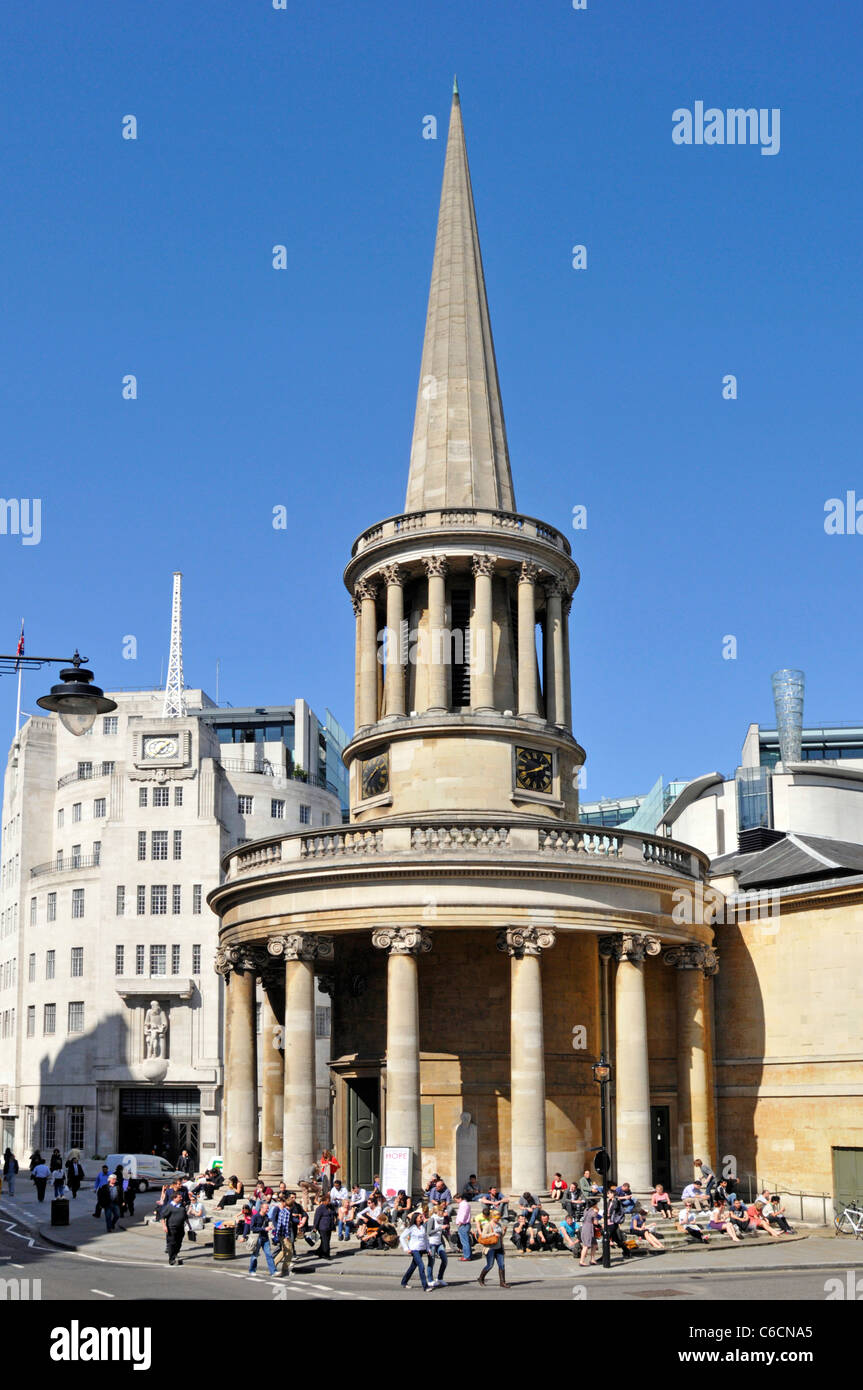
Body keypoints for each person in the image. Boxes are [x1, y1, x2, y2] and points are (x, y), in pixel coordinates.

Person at [477, 1207, 509, 1288]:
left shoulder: (499, 1225)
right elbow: (483, 1235)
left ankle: (502, 1282)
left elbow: (500, 1236)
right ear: (492, 1217)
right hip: (490, 1248)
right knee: (490, 1265)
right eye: (496, 1218)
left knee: (502, 1265)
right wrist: (493, 1234)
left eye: (499, 1218)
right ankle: (481, 1278)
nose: (498, 1220)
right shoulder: (488, 1225)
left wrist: (504, 1232)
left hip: (499, 1247)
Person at [399, 1210, 431, 1290]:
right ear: (416, 1218)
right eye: (420, 1217)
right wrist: (406, 1248)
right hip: (414, 1249)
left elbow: (426, 1239)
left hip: (421, 1249)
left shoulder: (423, 1227)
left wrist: (428, 1248)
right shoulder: (411, 1228)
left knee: (413, 1266)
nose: (422, 1218)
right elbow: (402, 1237)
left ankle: (404, 1282)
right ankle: (425, 1286)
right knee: (421, 1266)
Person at [248, 1201, 278, 1276]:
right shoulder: (255, 1217)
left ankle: (273, 1272)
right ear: (261, 1208)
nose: (268, 1210)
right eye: (266, 1208)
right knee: (255, 1255)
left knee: (269, 1255)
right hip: (257, 1238)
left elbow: (269, 1225)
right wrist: (264, 1229)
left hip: (265, 1238)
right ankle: (252, 1270)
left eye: (268, 1208)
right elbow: (252, 1228)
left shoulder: (266, 1217)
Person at [426, 1201, 449, 1286]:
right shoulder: (432, 1219)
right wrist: (439, 1228)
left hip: (439, 1243)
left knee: (445, 1260)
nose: (443, 1212)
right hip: (431, 1243)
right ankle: (430, 1280)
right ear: (437, 1211)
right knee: (431, 1261)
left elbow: (440, 1232)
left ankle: (440, 1278)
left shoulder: (441, 1219)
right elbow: (429, 1232)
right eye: (442, 1211)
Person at [161, 1192, 187, 1266]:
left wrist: (189, 1226)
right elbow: (163, 1217)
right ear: (174, 1198)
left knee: (179, 1242)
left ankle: (175, 1253)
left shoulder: (182, 1206)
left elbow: (185, 1216)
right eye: (179, 1197)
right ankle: (171, 1259)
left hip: (181, 1227)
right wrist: (164, 1226)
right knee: (172, 1243)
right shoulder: (169, 1207)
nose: (181, 1198)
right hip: (171, 1228)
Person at [313, 1192, 335, 1258]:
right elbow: (317, 1218)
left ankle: (319, 1252)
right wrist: (315, 1227)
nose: (329, 1202)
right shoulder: (320, 1208)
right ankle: (326, 1254)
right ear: (324, 1201)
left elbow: (333, 1214)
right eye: (328, 1200)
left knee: (326, 1240)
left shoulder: (331, 1207)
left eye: (329, 1200)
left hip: (329, 1226)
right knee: (325, 1241)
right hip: (322, 1227)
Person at [579, 1201, 600, 1266]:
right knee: (586, 1245)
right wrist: (597, 1214)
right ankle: (581, 1261)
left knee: (594, 1244)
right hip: (589, 1228)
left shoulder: (586, 1210)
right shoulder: (594, 1213)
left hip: (585, 1227)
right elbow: (595, 1222)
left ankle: (592, 1259)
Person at [455, 1193, 473, 1261]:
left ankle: (466, 1256)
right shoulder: (465, 1204)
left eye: (456, 1200)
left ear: (460, 1198)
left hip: (463, 1224)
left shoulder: (463, 1205)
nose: (456, 1201)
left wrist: (461, 1222)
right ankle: (468, 1255)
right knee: (466, 1241)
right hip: (465, 1224)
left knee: (464, 1241)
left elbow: (464, 1214)